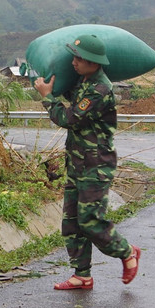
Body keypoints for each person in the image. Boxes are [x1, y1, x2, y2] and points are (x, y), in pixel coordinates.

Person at [33, 34, 140, 290]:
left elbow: (70, 118)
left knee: (90, 220)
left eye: (79, 58)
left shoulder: (99, 89)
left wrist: (47, 97)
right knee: (71, 222)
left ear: (93, 62)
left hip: (96, 165)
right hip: (77, 163)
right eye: (74, 57)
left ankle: (127, 252)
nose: (74, 62)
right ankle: (82, 275)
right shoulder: (83, 80)